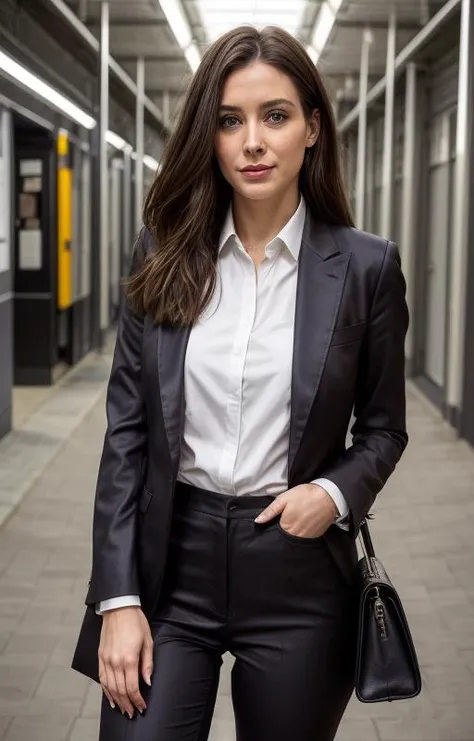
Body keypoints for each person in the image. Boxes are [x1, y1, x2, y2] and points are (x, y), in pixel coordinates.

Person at [72, 24, 409, 741]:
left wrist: (335, 492)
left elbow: (384, 427)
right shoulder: (163, 252)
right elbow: (126, 437)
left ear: (312, 128)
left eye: (275, 116)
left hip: (298, 574)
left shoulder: (366, 268)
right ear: (210, 135)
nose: (252, 141)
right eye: (230, 120)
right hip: (171, 564)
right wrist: (118, 598)